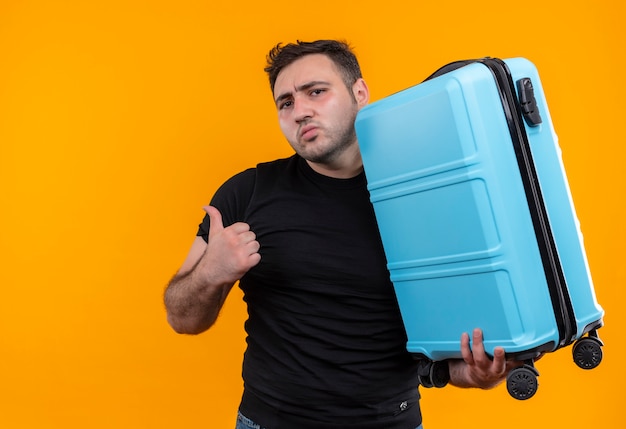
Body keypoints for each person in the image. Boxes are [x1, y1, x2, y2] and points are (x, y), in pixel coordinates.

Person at [164, 39, 522, 429]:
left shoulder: (423, 192)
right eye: (285, 103)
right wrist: (211, 273)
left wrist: (471, 374)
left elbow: (446, 338)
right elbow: (182, 318)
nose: (300, 111)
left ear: (360, 94)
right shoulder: (246, 193)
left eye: (316, 92)